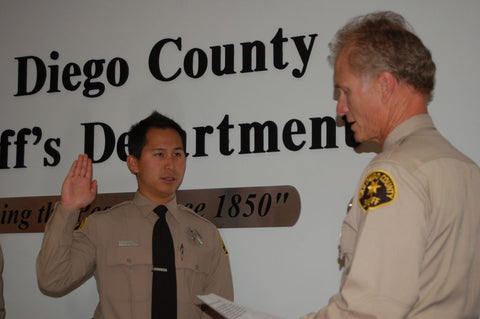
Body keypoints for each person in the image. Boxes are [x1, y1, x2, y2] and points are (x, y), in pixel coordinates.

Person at [302, 11, 480, 318]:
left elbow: (370, 308)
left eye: (345, 91)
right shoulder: (466, 169)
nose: (340, 108)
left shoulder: (393, 172)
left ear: (385, 85)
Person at [36, 111, 233, 319]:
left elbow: (219, 312)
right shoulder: (102, 226)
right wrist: (68, 210)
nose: (170, 165)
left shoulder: (206, 234)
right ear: (133, 163)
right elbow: (52, 281)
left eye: (177, 154)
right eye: (159, 154)